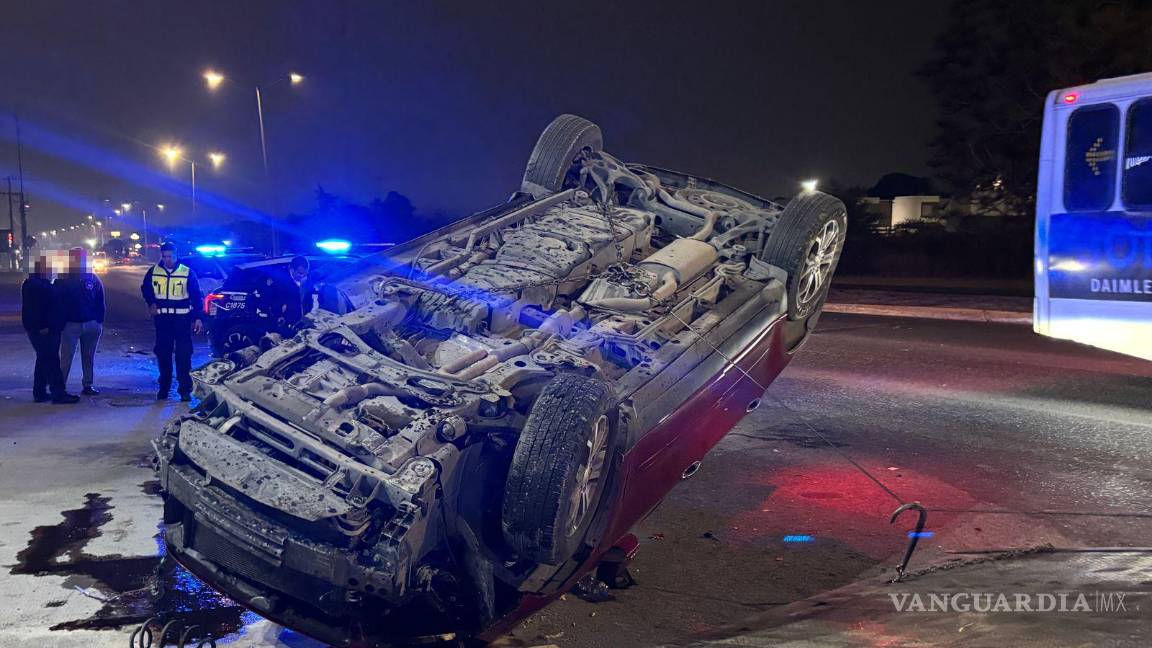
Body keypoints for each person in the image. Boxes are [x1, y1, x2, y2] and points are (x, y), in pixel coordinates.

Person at [141, 242, 203, 401]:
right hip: (163, 321)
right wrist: (151, 302)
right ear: (161, 255)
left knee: (183, 355)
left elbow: (197, 296)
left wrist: (198, 318)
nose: (167, 260)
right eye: (165, 256)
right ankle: (164, 388)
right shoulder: (153, 271)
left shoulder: (187, 272)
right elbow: (146, 288)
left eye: (171, 256)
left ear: (176, 255)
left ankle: (185, 390)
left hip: (182, 320)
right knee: (163, 354)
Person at [22, 254, 79, 404]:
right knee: (52, 361)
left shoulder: (40, 284)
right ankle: (58, 393)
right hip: (44, 330)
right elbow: (35, 309)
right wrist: (42, 326)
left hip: (47, 329)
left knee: (43, 360)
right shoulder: (36, 286)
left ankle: (39, 392)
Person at [55, 247, 105, 396]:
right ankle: (60, 387)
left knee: (88, 357)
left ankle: (88, 385)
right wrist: (60, 323)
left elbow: (100, 300)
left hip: (91, 325)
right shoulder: (62, 280)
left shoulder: (93, 278)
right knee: (66, 357)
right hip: (70, 325)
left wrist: (98, 321)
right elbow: (56, 303)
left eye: (82, 258)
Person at [267, 255, 314, 331]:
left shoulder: (306, 279)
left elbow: (308, 298)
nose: (303, 276)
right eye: (300, 273)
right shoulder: (280, 283)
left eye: (305, 273)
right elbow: (275, 302)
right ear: (292, 270)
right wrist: (279, 316)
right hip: (287, 323)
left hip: (303, 321)